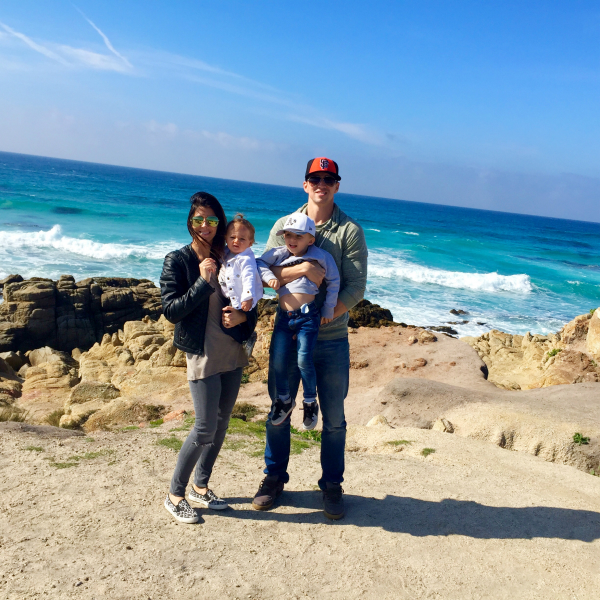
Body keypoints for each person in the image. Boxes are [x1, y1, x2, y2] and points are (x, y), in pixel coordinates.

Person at [252, 157, 368, 520]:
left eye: (328, 179)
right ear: (305, 184)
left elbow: (355, 287)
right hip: (287, 330)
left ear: (337, 185)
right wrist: (302, 268)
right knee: (279, 409)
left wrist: (322, 317)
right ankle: (274, 478)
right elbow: (262, 272)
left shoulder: (349, 231)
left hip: (330, 339)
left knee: (334, 418)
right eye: (315, 178)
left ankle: (332, 486)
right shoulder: (284, 225)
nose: (321, 183)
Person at [160, 192, 257, 524]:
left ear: (220, 223)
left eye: (212, 220)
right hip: (201, 353)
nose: (205, 226)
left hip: (231, 350)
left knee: (222, 424)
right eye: (199, 219)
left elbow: (250, 299)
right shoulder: (179, 260)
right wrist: (203, 281)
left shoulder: (230, 254)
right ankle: (175, 494)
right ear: (190, 221)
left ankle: (200, 487)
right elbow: (171, 310)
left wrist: (246, 319)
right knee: (203, 427)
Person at [256, 212, 340, 431]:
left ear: (311, 240)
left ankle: (310, 401)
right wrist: (270, 278)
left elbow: (333, 281)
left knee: (304, 360)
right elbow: (258, 264)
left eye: (298, 236)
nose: (292, 240)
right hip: (284, 318)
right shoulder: (279, 253)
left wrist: (329, 307)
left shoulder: (321, 256)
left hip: (308, 316)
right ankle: (284, 399)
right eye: (288, 235)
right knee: (278, 361)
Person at [218, 213, 263, 312]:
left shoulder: (246, 259)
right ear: (226, 238)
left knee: (232, 322)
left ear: (250, 243)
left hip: (239, 299)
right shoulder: (226, 251)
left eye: (242, 239)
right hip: (226, 295)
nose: (236, 241)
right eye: (232, 237)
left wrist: (247, 297)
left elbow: (249, 277)